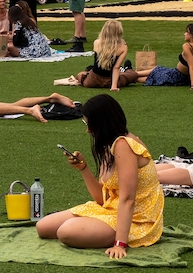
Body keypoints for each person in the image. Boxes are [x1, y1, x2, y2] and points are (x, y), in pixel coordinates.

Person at [36, 94, 163, 255]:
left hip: (137, 218)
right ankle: (91, 227)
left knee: (66, 231)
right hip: (112, 208)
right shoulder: (109, 145)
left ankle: (103, 231)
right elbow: (102, 199)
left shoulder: (123, 145)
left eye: (89, 124)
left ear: (102, 123)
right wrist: (84, 168)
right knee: (43, 227)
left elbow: (128, 199)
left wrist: (119, 244)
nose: (88, 130)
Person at [75, 19, 141, 91]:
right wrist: (114, 86)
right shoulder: (123, 47)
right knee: (132, 75)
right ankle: (128, 69)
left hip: (92, 81)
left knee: (81, 75)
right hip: (109, 81)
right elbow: (116, 68)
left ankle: (126, 70)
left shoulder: (96, 43)